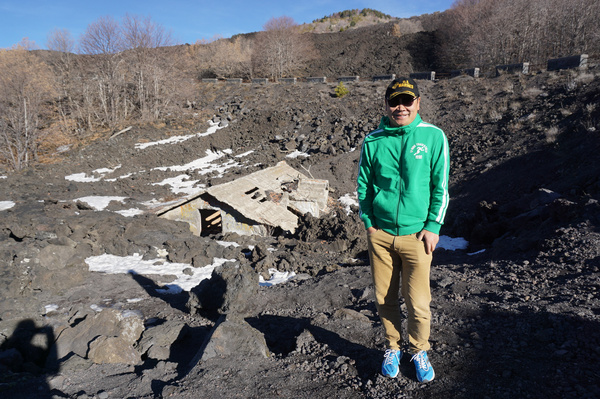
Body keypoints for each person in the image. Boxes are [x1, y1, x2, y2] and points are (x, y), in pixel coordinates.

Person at [356, 76, 449, 383]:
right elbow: (363, 185)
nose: (401, 107)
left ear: (417, 103)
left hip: (417, 237)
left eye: (407, 101)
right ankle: (392, 346)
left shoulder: (433, 137)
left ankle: (419, 349)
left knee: (418, 302)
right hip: (380, 236)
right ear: (387, 104)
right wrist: (369, 222)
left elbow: (441, 186)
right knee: (385, 298)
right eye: (395, 101)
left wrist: (434, 225)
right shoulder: (374, 140)